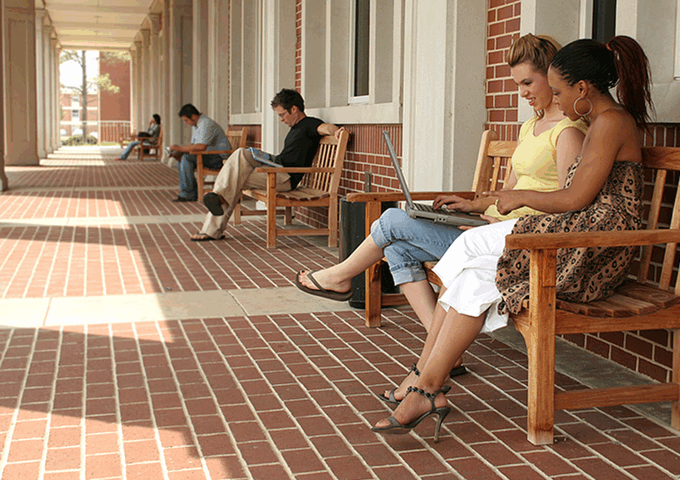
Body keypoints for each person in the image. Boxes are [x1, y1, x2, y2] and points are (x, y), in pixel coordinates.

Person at [371, 35, 654, 442]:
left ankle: (424, 381)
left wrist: (516, 197)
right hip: (581, 234)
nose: (553, 99)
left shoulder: (611, 122)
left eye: (557, 91)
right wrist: (498, 202)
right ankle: (425, 390)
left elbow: (577, 197)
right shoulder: (601, 120)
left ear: (582, 89)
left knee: (469, 253)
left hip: (595, 248)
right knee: (473, 277)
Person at [295, 34, 586, 383]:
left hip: (518, 244)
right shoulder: (530, 126)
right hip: (488, 226)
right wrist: (473, 205)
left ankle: (340, 277)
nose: (522, 92)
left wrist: (495, 220)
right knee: (399, 246)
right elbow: (508, 190)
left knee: (391, 220)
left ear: (551, 78)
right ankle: (446, 352)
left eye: (528, 82)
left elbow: (568, 204)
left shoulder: (568, 131)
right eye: (517, 84)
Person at [190, 89, 345, 241]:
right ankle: (217, 202)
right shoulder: (295, 128)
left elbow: (326, 127)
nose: (281, 119)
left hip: (285, 178)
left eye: (282, 115)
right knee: (240, 154)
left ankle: (214, 216)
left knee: (235, 178)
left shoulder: (310, 124)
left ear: (294, 109)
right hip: (277, 167)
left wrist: (337, 131)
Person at [170, 104, 232, 202]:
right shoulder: (197, 125)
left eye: (186, 120)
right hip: (209, 155)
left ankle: (189, 193)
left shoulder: (206, 124)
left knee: (186, 158)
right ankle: (189, 191)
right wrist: (179, 152)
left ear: (193, 117)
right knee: (182, 157)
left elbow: (201, 146)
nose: (186, 123)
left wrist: (180, 148)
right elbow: (193, 145)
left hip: (220, 158)